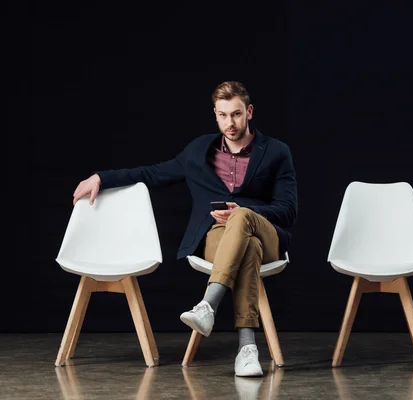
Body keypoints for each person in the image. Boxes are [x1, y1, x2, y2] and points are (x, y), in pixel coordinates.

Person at [72, 81, 298, 377]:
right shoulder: (198, 152)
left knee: (244, 219)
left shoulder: (276, 152)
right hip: (218, 237)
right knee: (248, 249)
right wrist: (101, 177)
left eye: (237, 114)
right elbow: (153, 173)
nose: (230, 123)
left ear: (250, 112)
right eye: (223, 115)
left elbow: (289, 210)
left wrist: (247, 212)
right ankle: (247, 349)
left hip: (267, 233)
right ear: (215, 114)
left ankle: (207, 306)